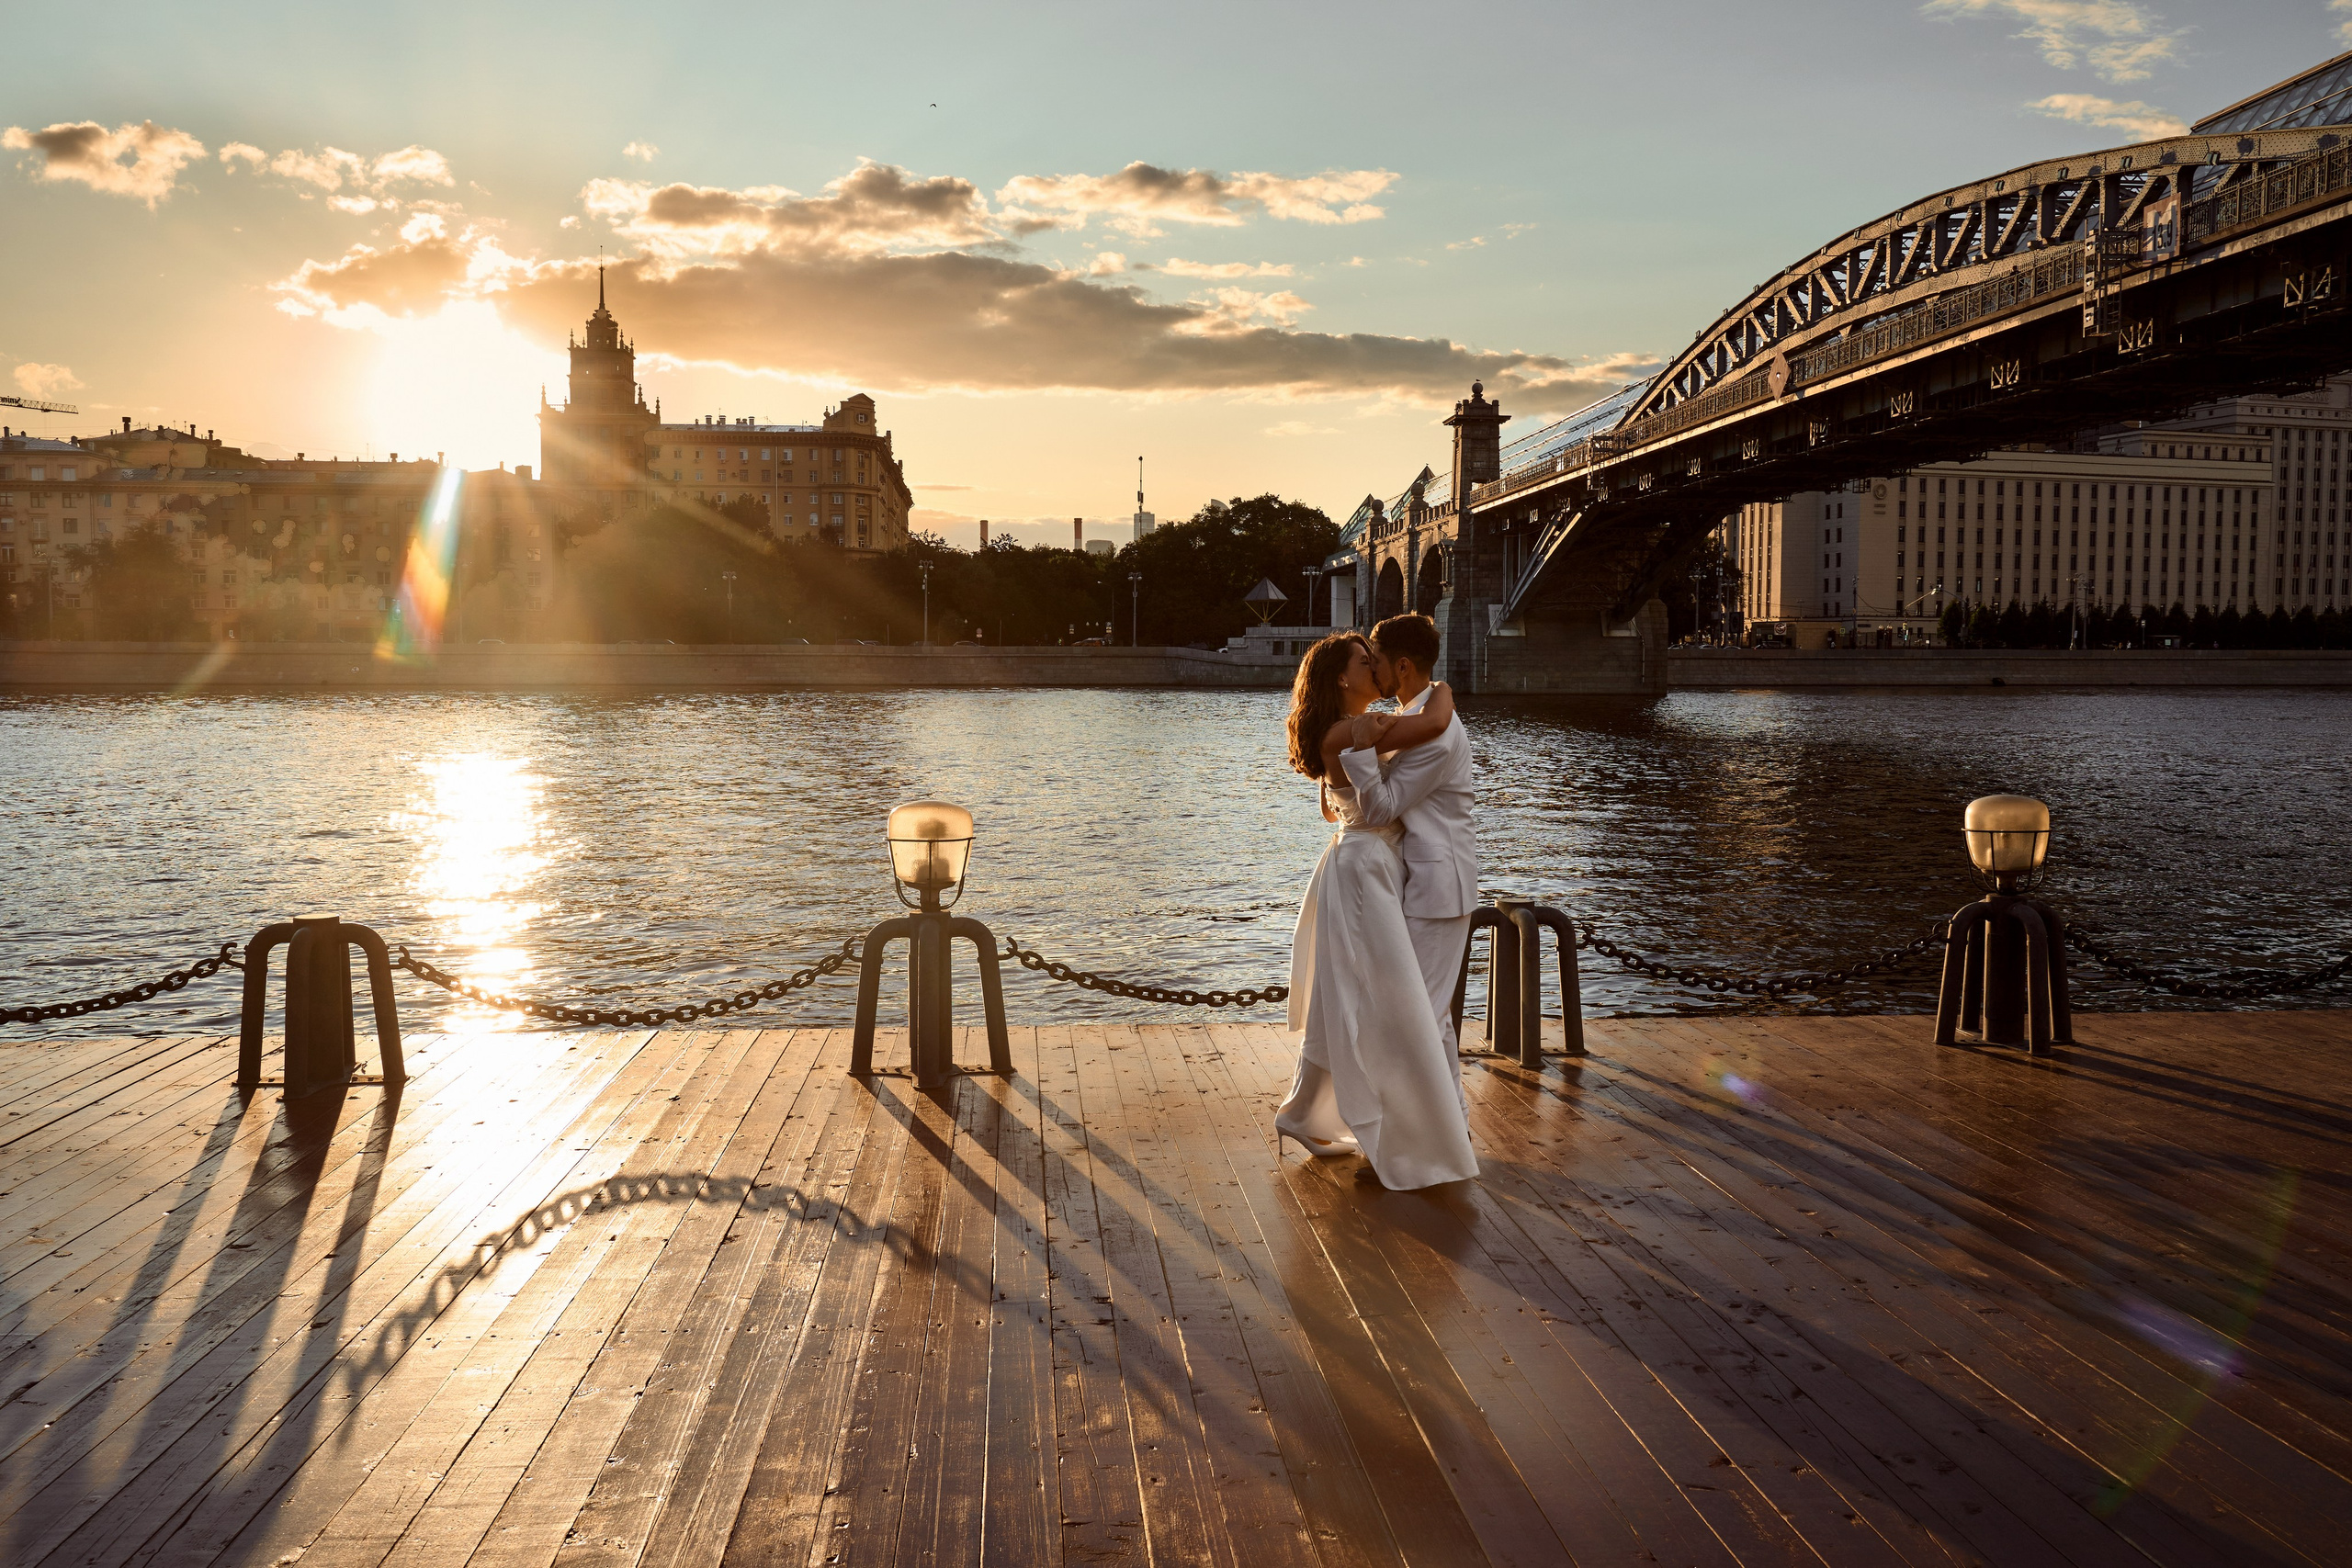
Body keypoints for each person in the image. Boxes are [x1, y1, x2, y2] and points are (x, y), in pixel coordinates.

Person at [1275, 631, 1478, 1190]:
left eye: (1375, 660)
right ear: (1342, 678)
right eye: (1364, 664)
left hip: (1370, 864)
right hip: (1368, 868)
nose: (1373, 671)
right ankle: (1409, 1133)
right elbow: (1434, 725)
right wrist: (1443, 691)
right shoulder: (1351, 730)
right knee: (1390, 1007)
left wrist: (1436, 692)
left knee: (1365, 1000)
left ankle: (1317, 1115)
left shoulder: (1350, 727)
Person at [1340, 614, 1480, 1068]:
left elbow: (1382, 809)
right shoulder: (1421, 716)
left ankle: (1440, 1129)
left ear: (1401, 666)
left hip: (1439, 890)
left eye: (1375, 660)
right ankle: (1448, 1128)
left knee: (1420, 1016)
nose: (1373, 670)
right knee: (1428, 1018)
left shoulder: (1432, 734)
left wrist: (1360, 750)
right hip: (1426, 883)